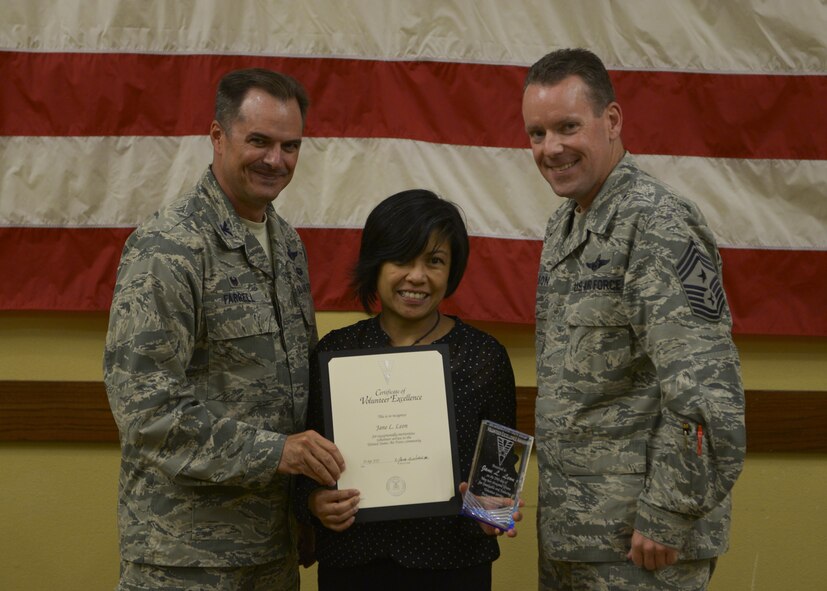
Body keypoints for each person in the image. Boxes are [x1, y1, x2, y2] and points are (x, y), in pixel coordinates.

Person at [103, 68, 345, 591]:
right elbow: (146, 411)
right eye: (258, 140)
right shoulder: (167, 248)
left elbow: (293, 396)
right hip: (185, 559)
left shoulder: (288, 246)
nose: (275, 160)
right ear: (217, 136)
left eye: (290, 145)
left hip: (271, 553)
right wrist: (277, 453)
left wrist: (302, 511)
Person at [522, 48, 746, 590]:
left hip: (641, 547)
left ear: (612, 120)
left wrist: (669, 511)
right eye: (536, 133)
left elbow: (707, 390)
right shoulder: (567, 225)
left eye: (567, 127)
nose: (551, 148)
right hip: (577, 535)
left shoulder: (657, 224)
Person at [294, 189, 519, 591]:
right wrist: (313, 503)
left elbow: (499, 472)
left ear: (452, 271)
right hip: (353, 562)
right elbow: (306, 469)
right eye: (401, 259)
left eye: (434, 261)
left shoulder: (485, 356)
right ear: (375, 264)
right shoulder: (334, 352)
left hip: (453, 565)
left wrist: (494, 512)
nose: (417, 276)